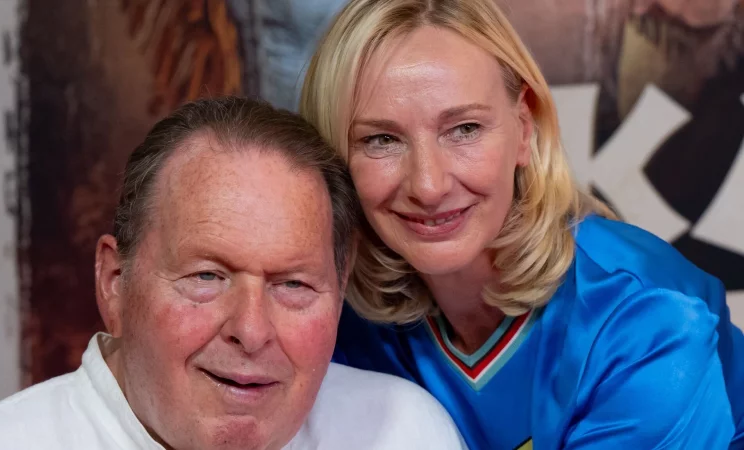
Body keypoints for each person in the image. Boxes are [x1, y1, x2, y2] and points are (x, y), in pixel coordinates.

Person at [299, 0, 744, 448]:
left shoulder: (647, 314)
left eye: (465, 129)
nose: (429, 185)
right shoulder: (338, 320)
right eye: (381, 139)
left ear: (524, 128)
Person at [0, 97, 466, 450]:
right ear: (115, 283)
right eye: (207, 277)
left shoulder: (402, 433)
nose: (252, 329)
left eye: (293, 285)